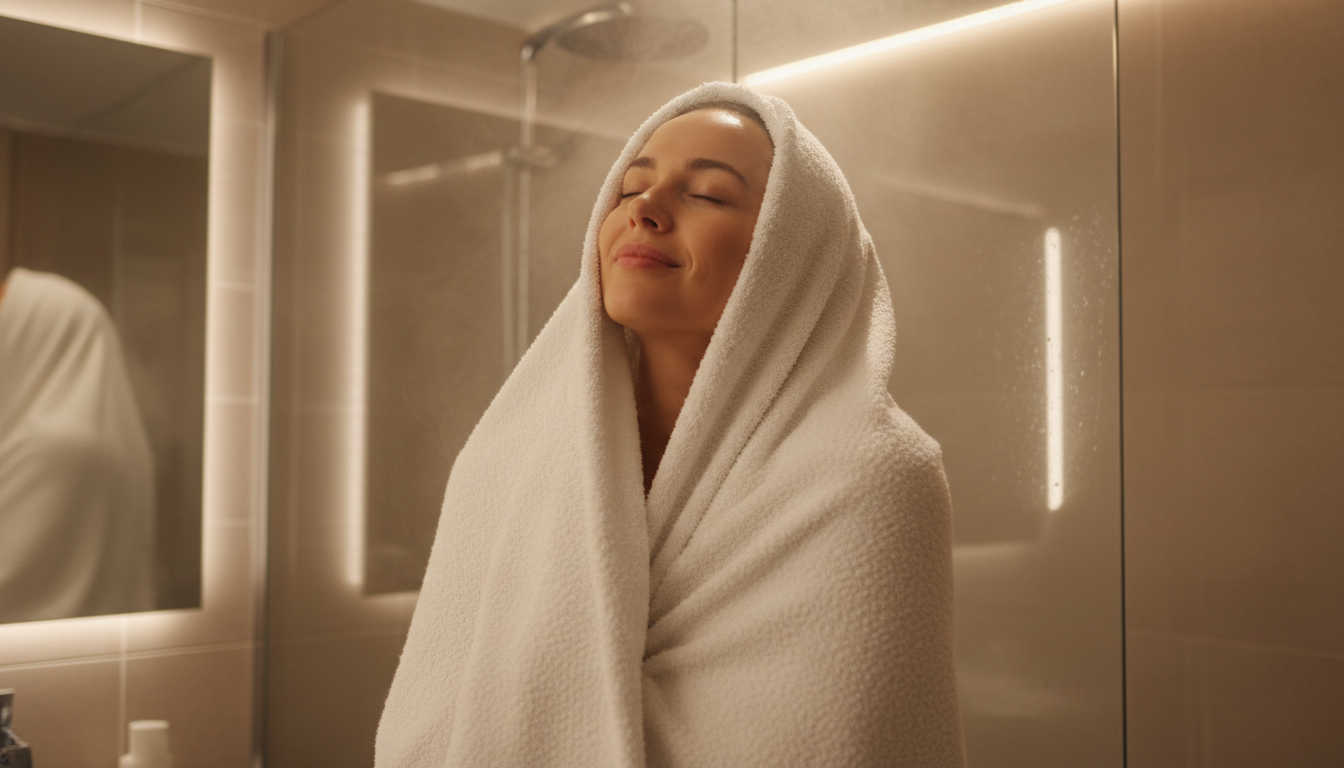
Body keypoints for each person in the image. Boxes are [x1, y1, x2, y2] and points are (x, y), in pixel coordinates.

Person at [375, 82, 965, 767]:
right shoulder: (504, 458)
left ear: (789, 252)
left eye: (708, 194)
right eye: (628, 189)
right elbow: (432, 707)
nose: (645, 210)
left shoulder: (872, 475)